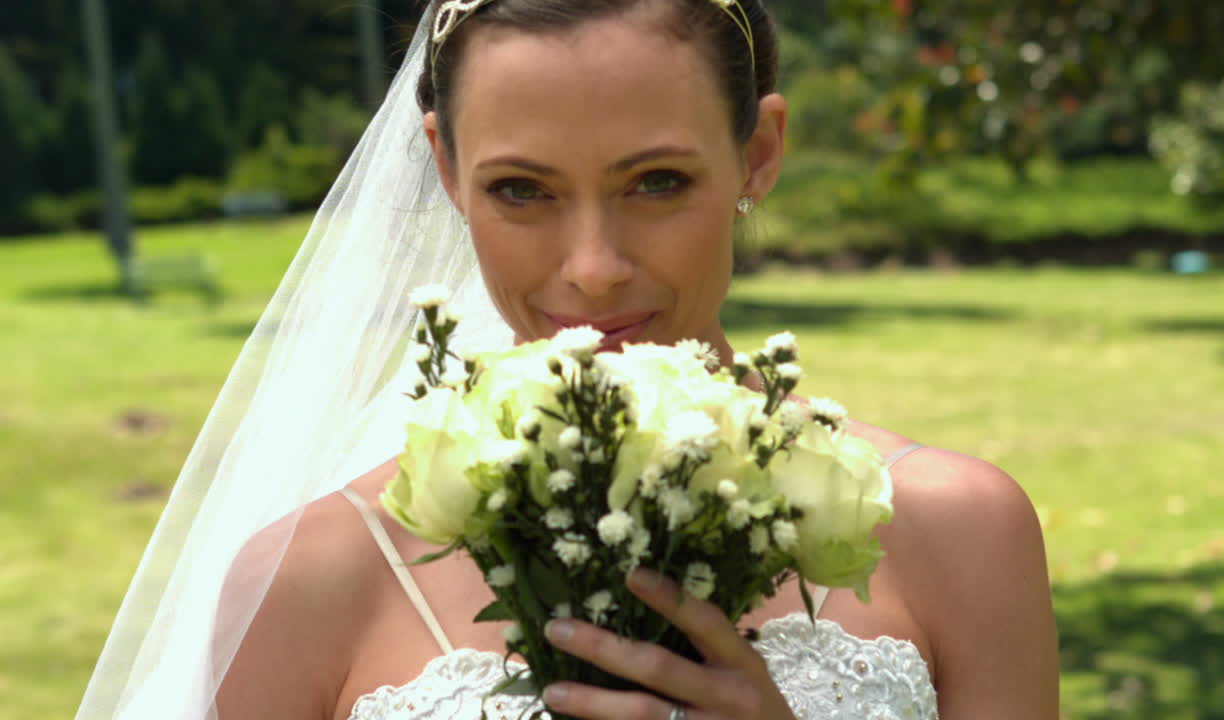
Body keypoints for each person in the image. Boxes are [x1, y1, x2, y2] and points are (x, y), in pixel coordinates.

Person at [76, 1, 1059, 719]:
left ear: (756, 152)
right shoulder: (310, 582)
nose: (590, 272)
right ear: (448, 168)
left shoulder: (954, 534)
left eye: (656, 181)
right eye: (521, 191)